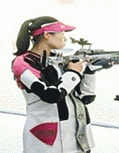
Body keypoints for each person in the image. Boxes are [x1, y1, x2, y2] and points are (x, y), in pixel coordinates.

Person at [12, 16, 108, 153]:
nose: (65, 39)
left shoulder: (59, 60)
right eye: (62, 34)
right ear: (47, 35)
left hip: (77, 139)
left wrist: (89, 72)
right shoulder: (23, 62)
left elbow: (84, 98)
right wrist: (73, 73)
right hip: (46, 140)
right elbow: (50, 95)